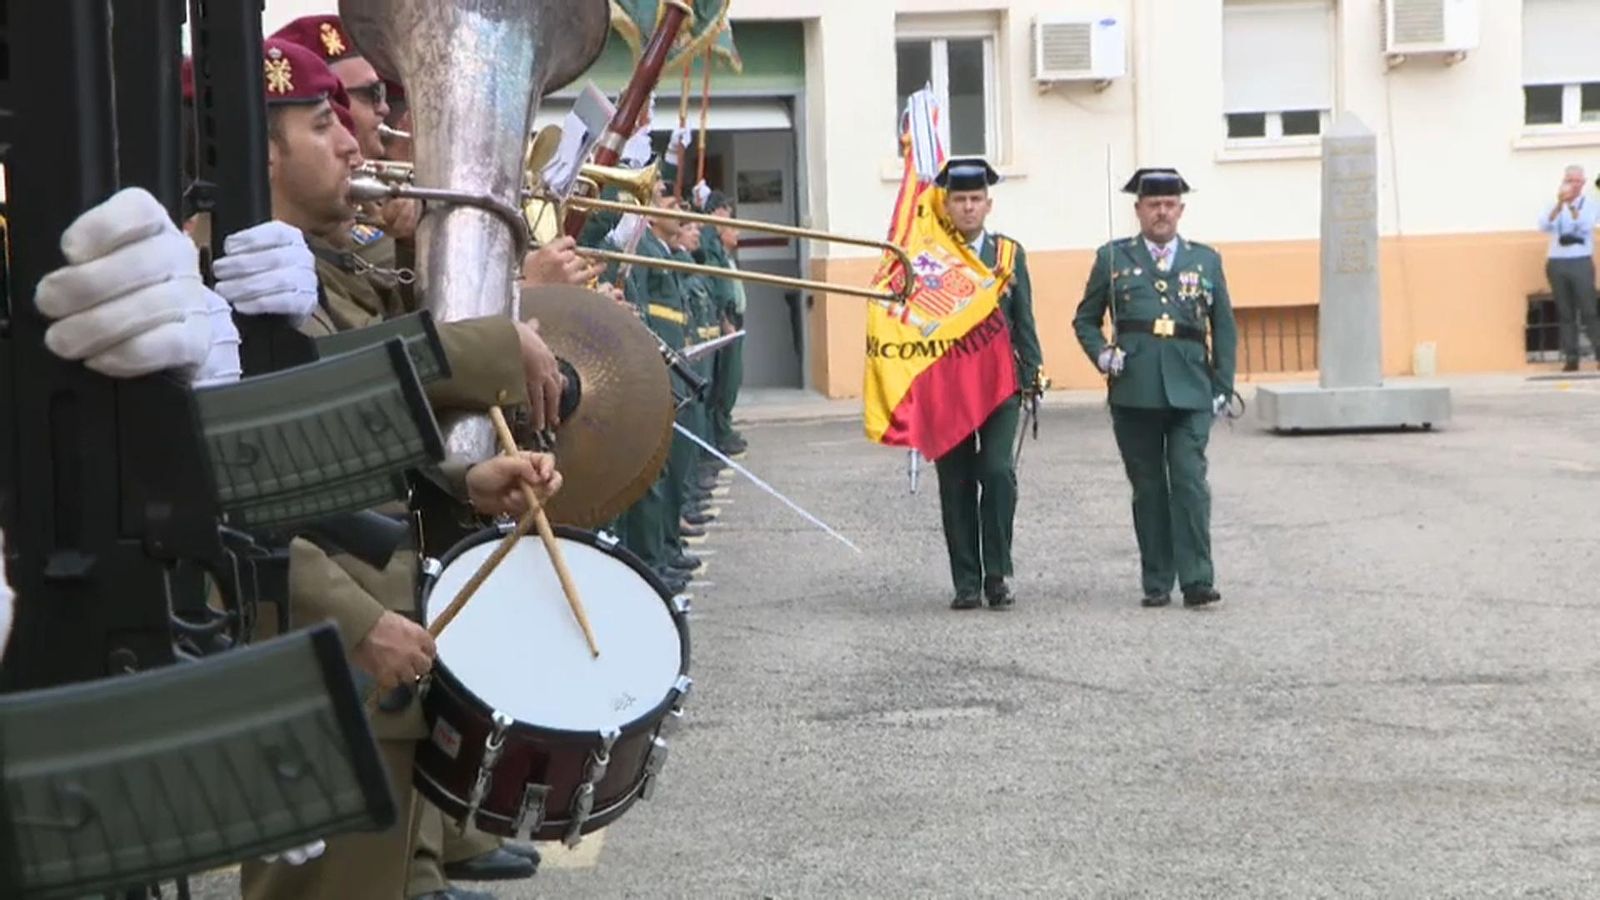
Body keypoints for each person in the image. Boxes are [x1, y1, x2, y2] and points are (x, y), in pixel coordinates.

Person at [227, 39, 551, 900]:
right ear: (263, 147)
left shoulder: (308, 277)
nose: (353, 143)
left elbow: (345, 451)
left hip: (371, 642)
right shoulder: (235, 294)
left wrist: (462, 482)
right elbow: (236, 493)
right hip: (322, 647)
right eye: (323, 120)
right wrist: (360, 619)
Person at [1072, 167, 1237, 609]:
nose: (1161, 213)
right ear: (1138, 210)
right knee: (1148, 486)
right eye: (1153, 205)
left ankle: (1198, 579)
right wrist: (1102, 355)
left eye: (1169, 205)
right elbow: (1085, 320)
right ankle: (1157, 580)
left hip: (1191, 387)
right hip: (1135, 389)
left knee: (1189, 480)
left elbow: (1224, 327)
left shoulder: (1206, 260)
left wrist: (1222, 385)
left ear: (1181, 210)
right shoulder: (1112, 258)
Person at [925, 158, 1043, 611]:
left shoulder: (1009, 256)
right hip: (947, 386)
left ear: (988, 204)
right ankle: (966, 582)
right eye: (960, 199)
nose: (968, 207)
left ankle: (998, 572)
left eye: (975, 199)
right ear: (947, 203)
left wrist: (1032, 373)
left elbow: (1023, 319)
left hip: (999, 384)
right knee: (954, 481)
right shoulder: (929, 255)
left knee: (997, 472)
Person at [1537, 164, 1600, 372]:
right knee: (1565, 312)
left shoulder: (1590, 204)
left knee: (1589, 310)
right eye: (1568, 180)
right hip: (1557, 260)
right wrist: (1559, 205)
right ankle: (1571, 358)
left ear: (1582, 183)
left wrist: (1572, 206)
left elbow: (1584, 226)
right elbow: (1544, 225)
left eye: (1576, 181)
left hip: (1580, 259)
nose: (1572, 185)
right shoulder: (1553, 203)